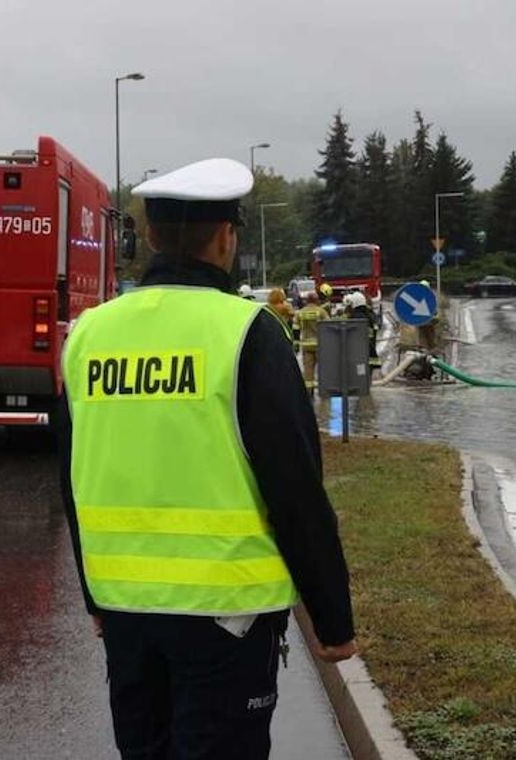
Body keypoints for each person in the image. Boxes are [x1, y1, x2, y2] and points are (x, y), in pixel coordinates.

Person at [57, 158, 356, 760]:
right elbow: (294, 487)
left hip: (126, 611)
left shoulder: (89, 334)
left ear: (148, 238)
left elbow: (71, 475)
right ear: (226, 238)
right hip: (227, 617)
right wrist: (332, 620)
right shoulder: (248, 332)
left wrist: (94, 595)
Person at [294, 290, 327, 391]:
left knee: (308, 371)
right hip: (320, 345)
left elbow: (295, 328)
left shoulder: (300, 313)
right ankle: (324, 389)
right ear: (317, 300)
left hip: (306, 345)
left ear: (306, 301)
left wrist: (296, 344)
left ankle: (309, 391)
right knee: (323, 369)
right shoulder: (321, 311)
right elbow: (328, 326)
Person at [343, 290, 381, 368]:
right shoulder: (370, 314)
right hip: (370, 354)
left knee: (359, 376)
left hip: (359, 355)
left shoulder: (356, 317)